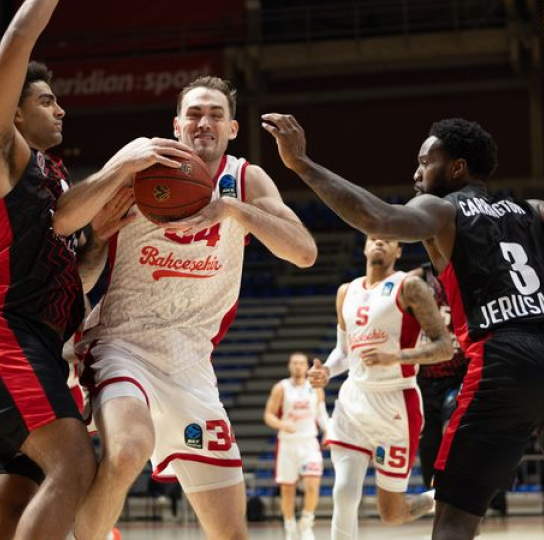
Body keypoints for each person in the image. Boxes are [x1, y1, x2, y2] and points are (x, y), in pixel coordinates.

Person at [264, 114, 544, 540]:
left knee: (453, 522)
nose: (418, 173)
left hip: (505, 358)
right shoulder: (529, 211)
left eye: (426, 162)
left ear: (457, 169)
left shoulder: (442, 211)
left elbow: (378, 218)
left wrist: (302, 164)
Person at [55, 76, 318, 540]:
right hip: (122, 344)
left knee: (230, 533)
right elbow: (70, 236)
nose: (204, 122)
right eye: (194, 114)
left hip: (191, 364)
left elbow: (304, 252)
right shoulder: (141, 170)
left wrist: (234, 211)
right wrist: (98, 233)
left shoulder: (245, 179)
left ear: (232, 128)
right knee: (131, 448)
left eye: (215, 114)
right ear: (176, 126)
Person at [0, 0, 110, 537]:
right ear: (13, 113)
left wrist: (102, 241)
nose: (61, 109)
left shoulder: (55, 182)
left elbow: (73, 281)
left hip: (32, 343)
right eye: (47, 100)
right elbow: (19, 36)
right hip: (3, 336)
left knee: (3, 512)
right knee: (74, 466)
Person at [307, 236, 453, 539]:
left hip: (396, 403)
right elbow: (344, 353)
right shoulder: (346, 292)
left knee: (391, 513)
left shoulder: (410, 287)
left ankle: (449, 496)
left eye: (388, 240)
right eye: (373, 238)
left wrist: (395, 356)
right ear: (364, 247)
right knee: (344, 493)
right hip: (353, 400)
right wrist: (326, 372)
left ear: (398, 251)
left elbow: (444, 349)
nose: (379, 243)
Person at [408, 262, 468, 490]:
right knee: (429, 434)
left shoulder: (466, 271)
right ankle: (433, 491)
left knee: (462, 429)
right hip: (427, 371)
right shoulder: (420, 276)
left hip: (461, 369)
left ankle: (471, 490)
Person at [263, 352, 328, 540]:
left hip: (309, 442)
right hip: (288, 443)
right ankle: (290, 526)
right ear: (289, 366)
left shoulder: (315, 387)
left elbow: (321, 413)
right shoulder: (281, 388)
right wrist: (282, 425)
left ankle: (306, 523)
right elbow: (269, 415)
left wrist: (328, 432)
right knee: (287, 489)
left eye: (301, 363)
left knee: (312, 485)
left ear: (307, 366)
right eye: (295, 363)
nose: (298, 366)